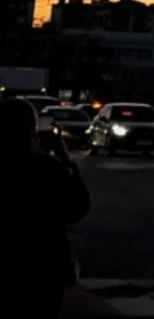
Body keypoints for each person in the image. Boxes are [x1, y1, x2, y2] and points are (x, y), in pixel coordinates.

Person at [0, 96, 90, 317]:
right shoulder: (46, 167)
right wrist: (64, 157)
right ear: (32, 129)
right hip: (43, 272)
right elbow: (77, 207)